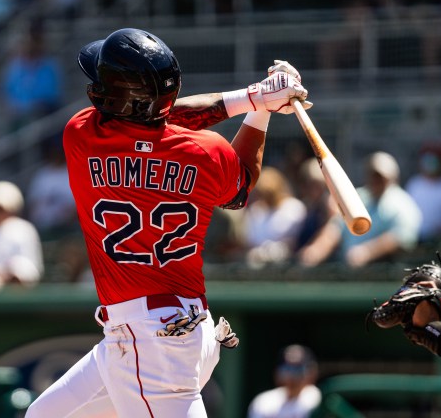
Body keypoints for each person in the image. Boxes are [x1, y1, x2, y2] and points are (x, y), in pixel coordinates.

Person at [25, 28, 310, 417]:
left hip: (150, 342)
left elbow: (150, 118)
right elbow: (240, 190)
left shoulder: (81, 133)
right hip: (177, 329)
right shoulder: (207, 152)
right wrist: (261, 107)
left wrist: (253, 97)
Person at [298, 151, 422, 268]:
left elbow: (402, 236)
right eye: (372, 175)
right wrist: (317, 249)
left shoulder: (403, 202)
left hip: (386, 270)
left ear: (392, 177)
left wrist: (367, 251)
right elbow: (335, 227)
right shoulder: (358, 196)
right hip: (351, 271)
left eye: (380, 176)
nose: (375, 180)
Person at [243, 166, 306, 268]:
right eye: (262, 193)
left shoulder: (294, 207)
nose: (266, 197)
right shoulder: (255, 211)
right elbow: (250, 242)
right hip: (258, 266)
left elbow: (294, 241)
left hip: (288, 266)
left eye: (269, 193)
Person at [247, 344, 321, 418]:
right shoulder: (263, 401)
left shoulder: (319, 400)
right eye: (287, 368)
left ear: (312, 372)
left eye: (298, 369)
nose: (292, 375)